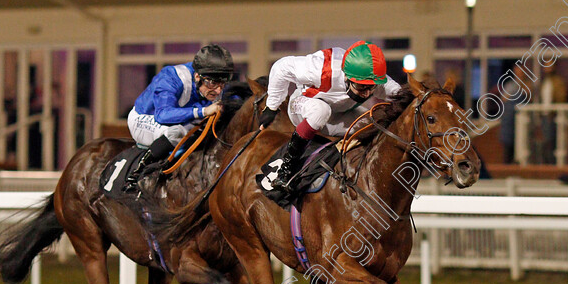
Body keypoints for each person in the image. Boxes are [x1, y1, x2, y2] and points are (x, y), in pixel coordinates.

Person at [259, 40, 402, 191]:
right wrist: (272, 106)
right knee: (321, 111)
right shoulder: (320, 69)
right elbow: (281, 67)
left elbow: (404, 97)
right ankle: (286, 170)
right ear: (346, 76)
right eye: (360, 86)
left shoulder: (375, 78)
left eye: (371, 87)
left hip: (338, 115)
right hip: (303, 106)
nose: (366, 93)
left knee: (374, 122)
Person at [123, 44, 234, 192]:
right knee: (176, 132)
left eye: (222, 83)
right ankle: (136, 175)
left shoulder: (209, 80)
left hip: (179, 120)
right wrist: (203, 111)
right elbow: (162, 115)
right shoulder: (172, 78)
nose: (218, 90)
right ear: (197, 76)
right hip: (145, 118)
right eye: (213, 83)